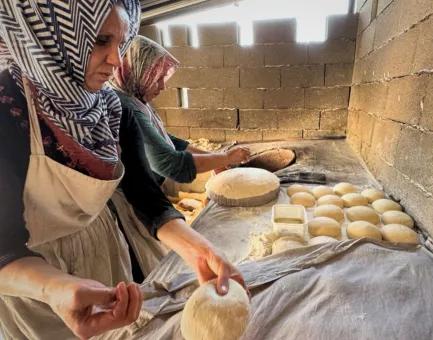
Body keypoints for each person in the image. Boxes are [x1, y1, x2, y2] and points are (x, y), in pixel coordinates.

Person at [0, 1, 247, 339]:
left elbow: (147, 199)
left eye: (121, 43)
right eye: (101, 40)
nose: (116, 61)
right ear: (48, 34)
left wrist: (203, 251)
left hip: (104, 248)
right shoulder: (7, 111)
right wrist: (55, 288)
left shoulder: (113, 110)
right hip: (31, 278)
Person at [109, 35, 251, 187]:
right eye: (156, 79)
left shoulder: (133, 97)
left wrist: (216, 159)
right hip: (131, 196)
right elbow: (172, 165)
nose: (163, 86)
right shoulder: (125, 107)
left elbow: (164, 140)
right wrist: (226, 158)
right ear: (137, 73)